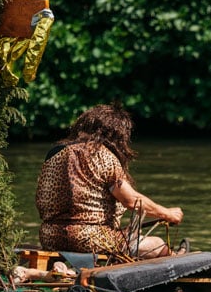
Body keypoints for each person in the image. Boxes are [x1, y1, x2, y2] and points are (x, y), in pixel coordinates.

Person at [34, 104, 183, 259]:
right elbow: (132, 201)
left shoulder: (53, 154)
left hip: (50, 238)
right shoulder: (101, 155)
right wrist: (167, 214)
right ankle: (176, 259)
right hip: (90, 241)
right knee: (157, 244)